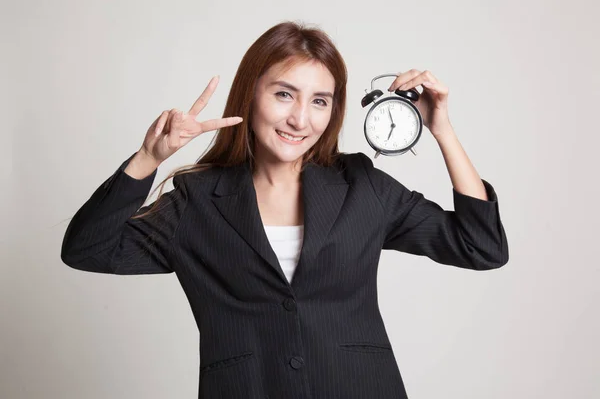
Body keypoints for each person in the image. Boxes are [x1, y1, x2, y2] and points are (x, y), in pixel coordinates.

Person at [61, 20, 509, 399]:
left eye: (319, 101)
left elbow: (481, 247)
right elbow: (88, 249)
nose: (300, 119)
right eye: (283, 94)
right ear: (250, 94)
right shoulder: (197, 202)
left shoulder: (361, 187)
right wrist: (148, 158)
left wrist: (442, 130)